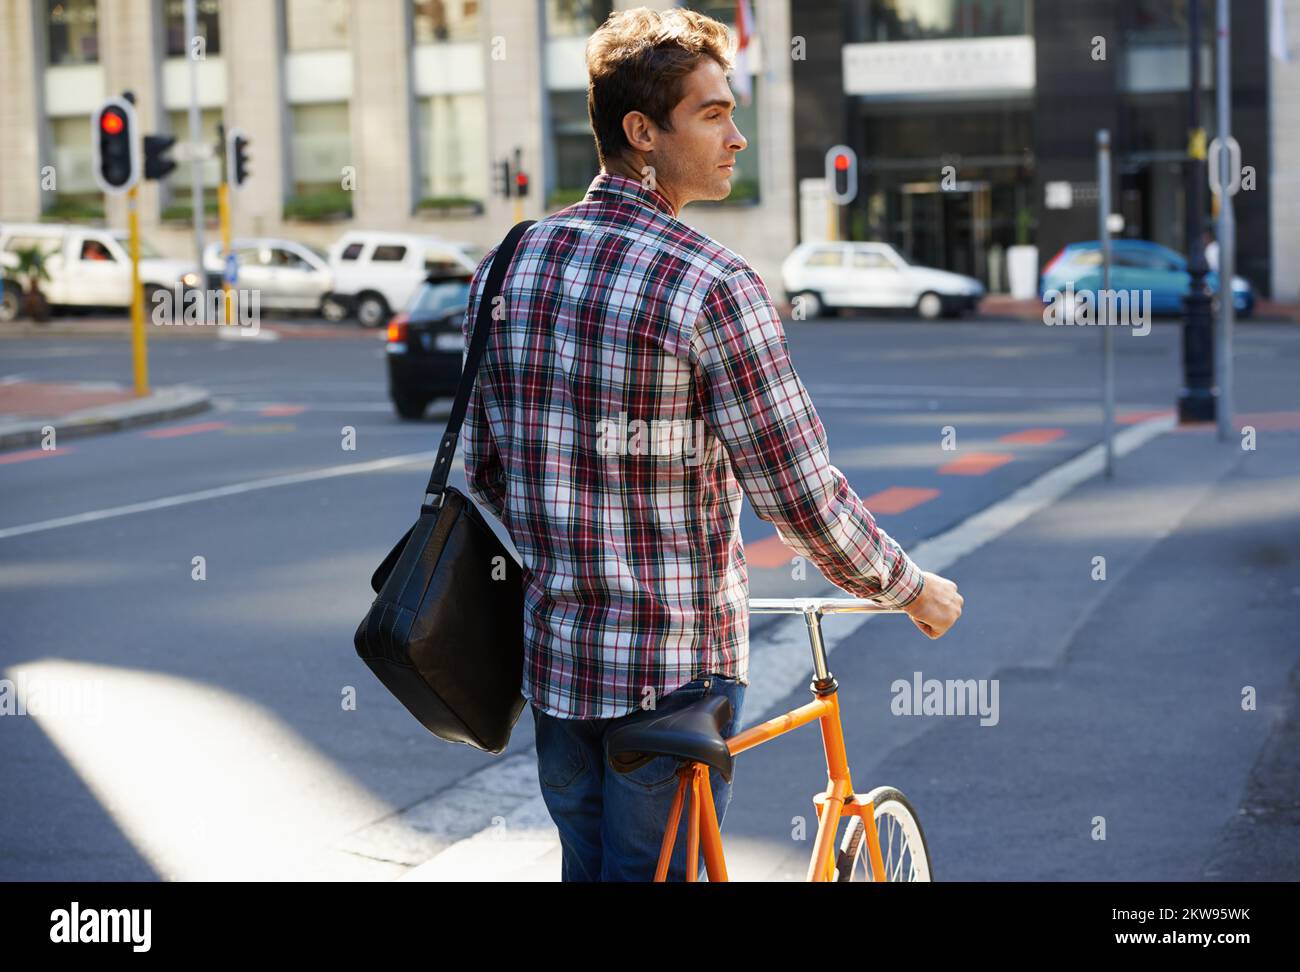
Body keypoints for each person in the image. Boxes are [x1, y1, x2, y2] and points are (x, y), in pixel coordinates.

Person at [459, 6, 963, 882]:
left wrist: (580, 546)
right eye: (712, 114)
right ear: (641, 131)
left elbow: (488, 468)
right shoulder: (712, 284)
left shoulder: (508, 265)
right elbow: (798, 492)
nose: (736, 136)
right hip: (673, 671)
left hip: (558, 668)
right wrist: (908, 588)